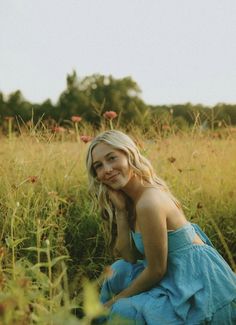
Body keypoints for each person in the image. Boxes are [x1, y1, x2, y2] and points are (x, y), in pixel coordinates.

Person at [86, 129, 236, 324]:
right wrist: (121, 212)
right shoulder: (131, 199)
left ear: (129, 155)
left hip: (196, 278)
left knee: (123, 309)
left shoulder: (149, 202)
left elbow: (156, 270)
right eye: (98, 166)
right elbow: (129, 257)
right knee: (118, 271)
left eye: (112, 158)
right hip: (171, 272)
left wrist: (112, 303)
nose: (106, 169)